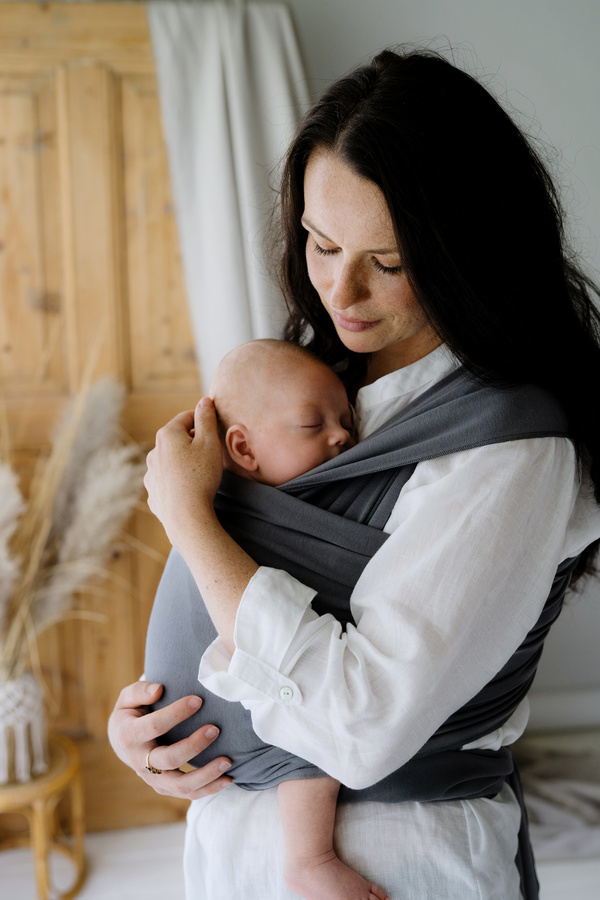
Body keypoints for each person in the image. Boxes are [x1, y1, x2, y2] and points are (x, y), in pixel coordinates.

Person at [109, 47, 600, 900]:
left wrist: (187, 518)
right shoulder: (312, 379)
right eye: (321, 242)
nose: (341, 290)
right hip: (230, 852)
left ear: (467, 252)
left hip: (399, 865)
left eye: (391, 262)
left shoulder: (512, 446)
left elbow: (360, 725)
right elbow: (219, 599)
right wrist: (152, 731)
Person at [144, 337, 390, 900]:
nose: (342, 435)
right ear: (242, 450)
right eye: (312, 424)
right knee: (309, 728)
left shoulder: (211, 511)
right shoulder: (233, 511)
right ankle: (311, 857)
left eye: (345, 420)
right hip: (205, 723)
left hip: (176, 722)